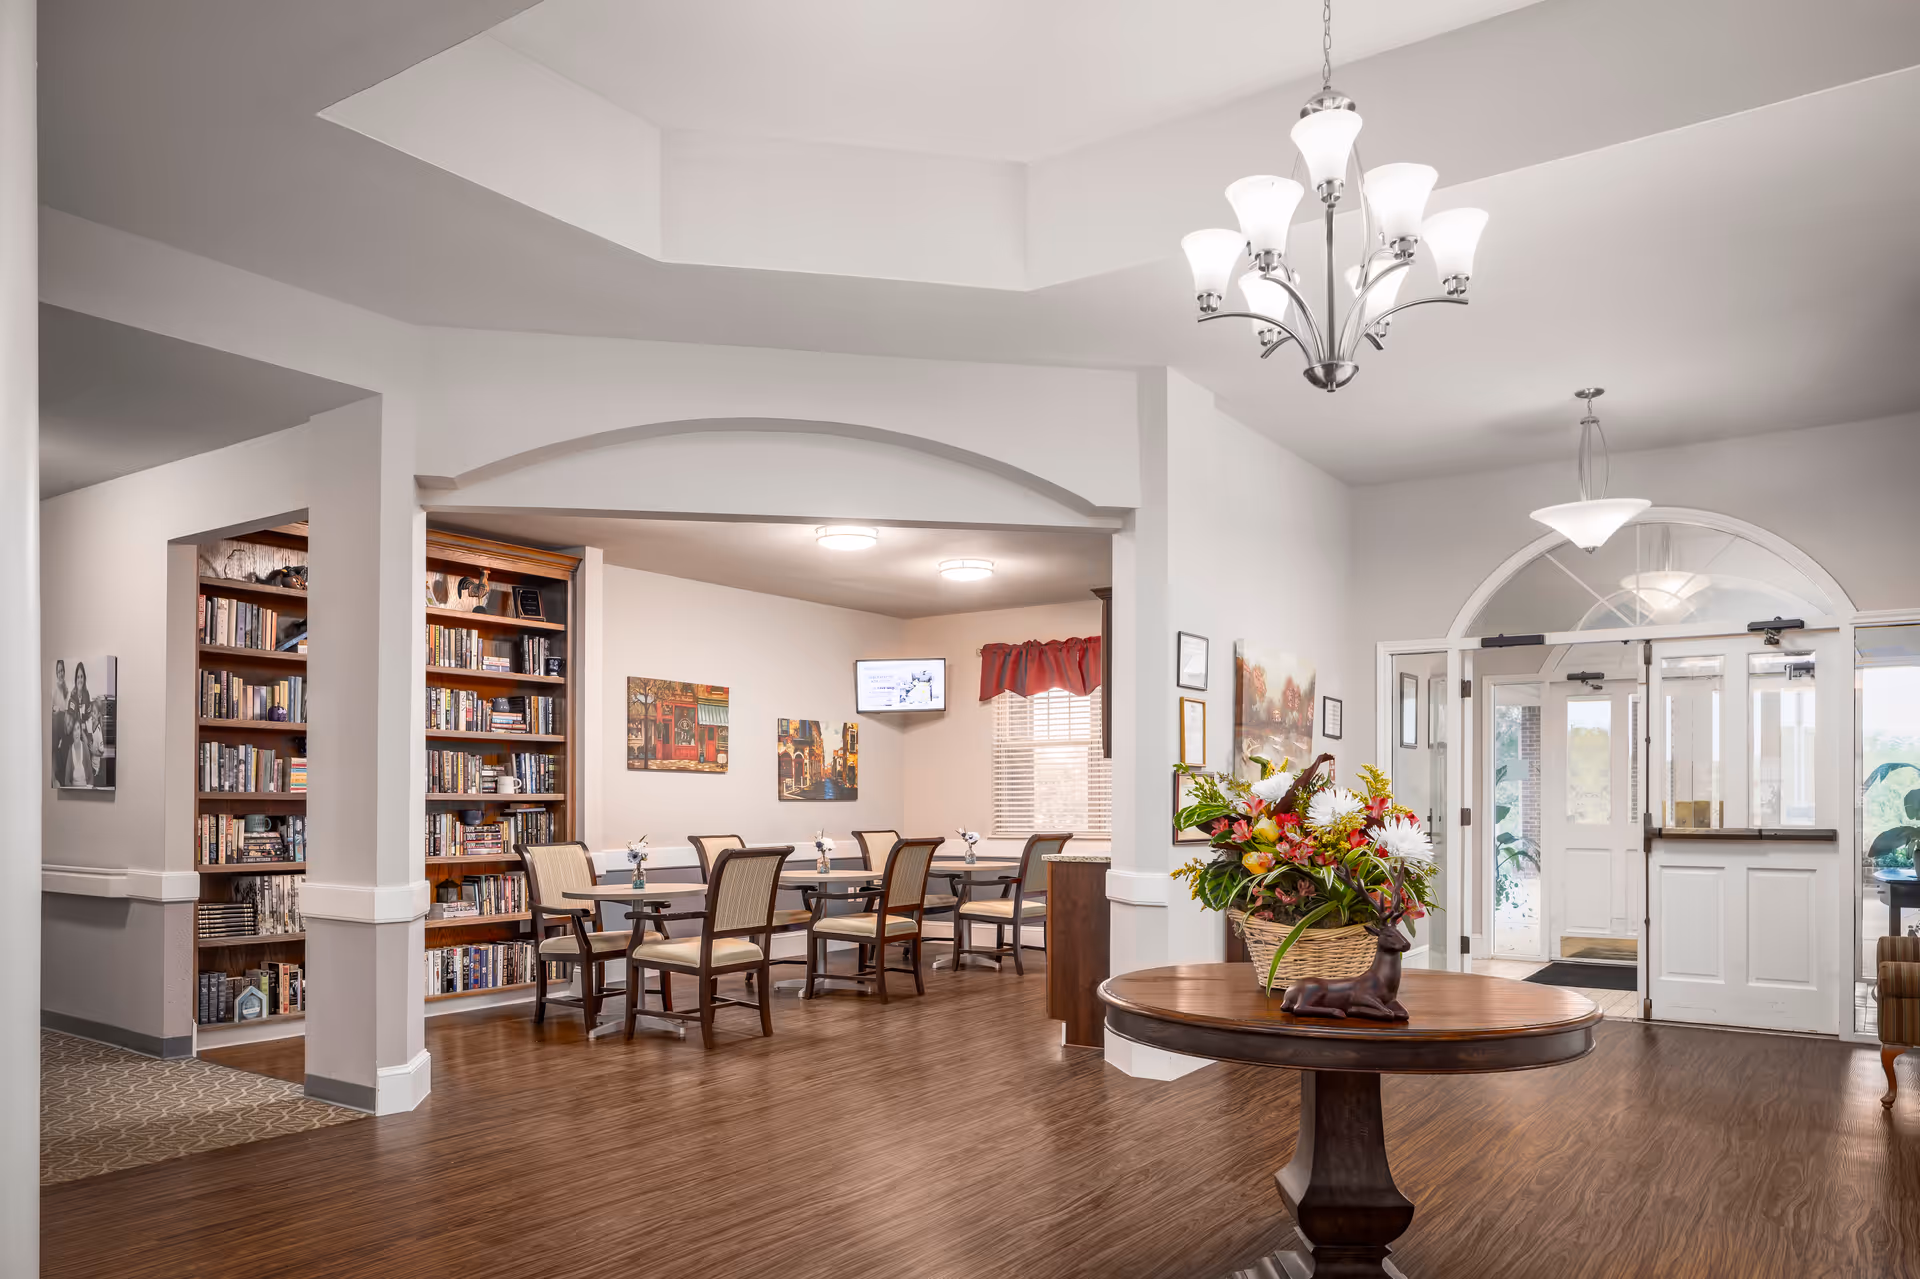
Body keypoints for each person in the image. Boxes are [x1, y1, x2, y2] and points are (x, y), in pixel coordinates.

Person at [68, 662, 99, 787]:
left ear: (84, 678)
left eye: (82, 677)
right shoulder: (72, 696)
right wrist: (81, 732)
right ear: (75, 679)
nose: (80, 679)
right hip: (75, 730)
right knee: (81, 742)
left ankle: (89, 776)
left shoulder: (86, 694)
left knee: (89, 742)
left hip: (84, 730)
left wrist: (88, 735)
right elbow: (72, 719)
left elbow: (87, 718)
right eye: (78, 677)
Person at [50, 660, 71, 788]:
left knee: (66, 746)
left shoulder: (66, 689)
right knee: (55, 749)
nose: (61, 673)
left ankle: (64, 777)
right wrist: (55, 709)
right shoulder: (53, 691)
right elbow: (51, 708)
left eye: (62, 670)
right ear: (56, 673)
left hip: (64, 723)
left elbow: (68, 707)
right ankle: (54, 777)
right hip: (56, 722)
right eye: (58, 671)